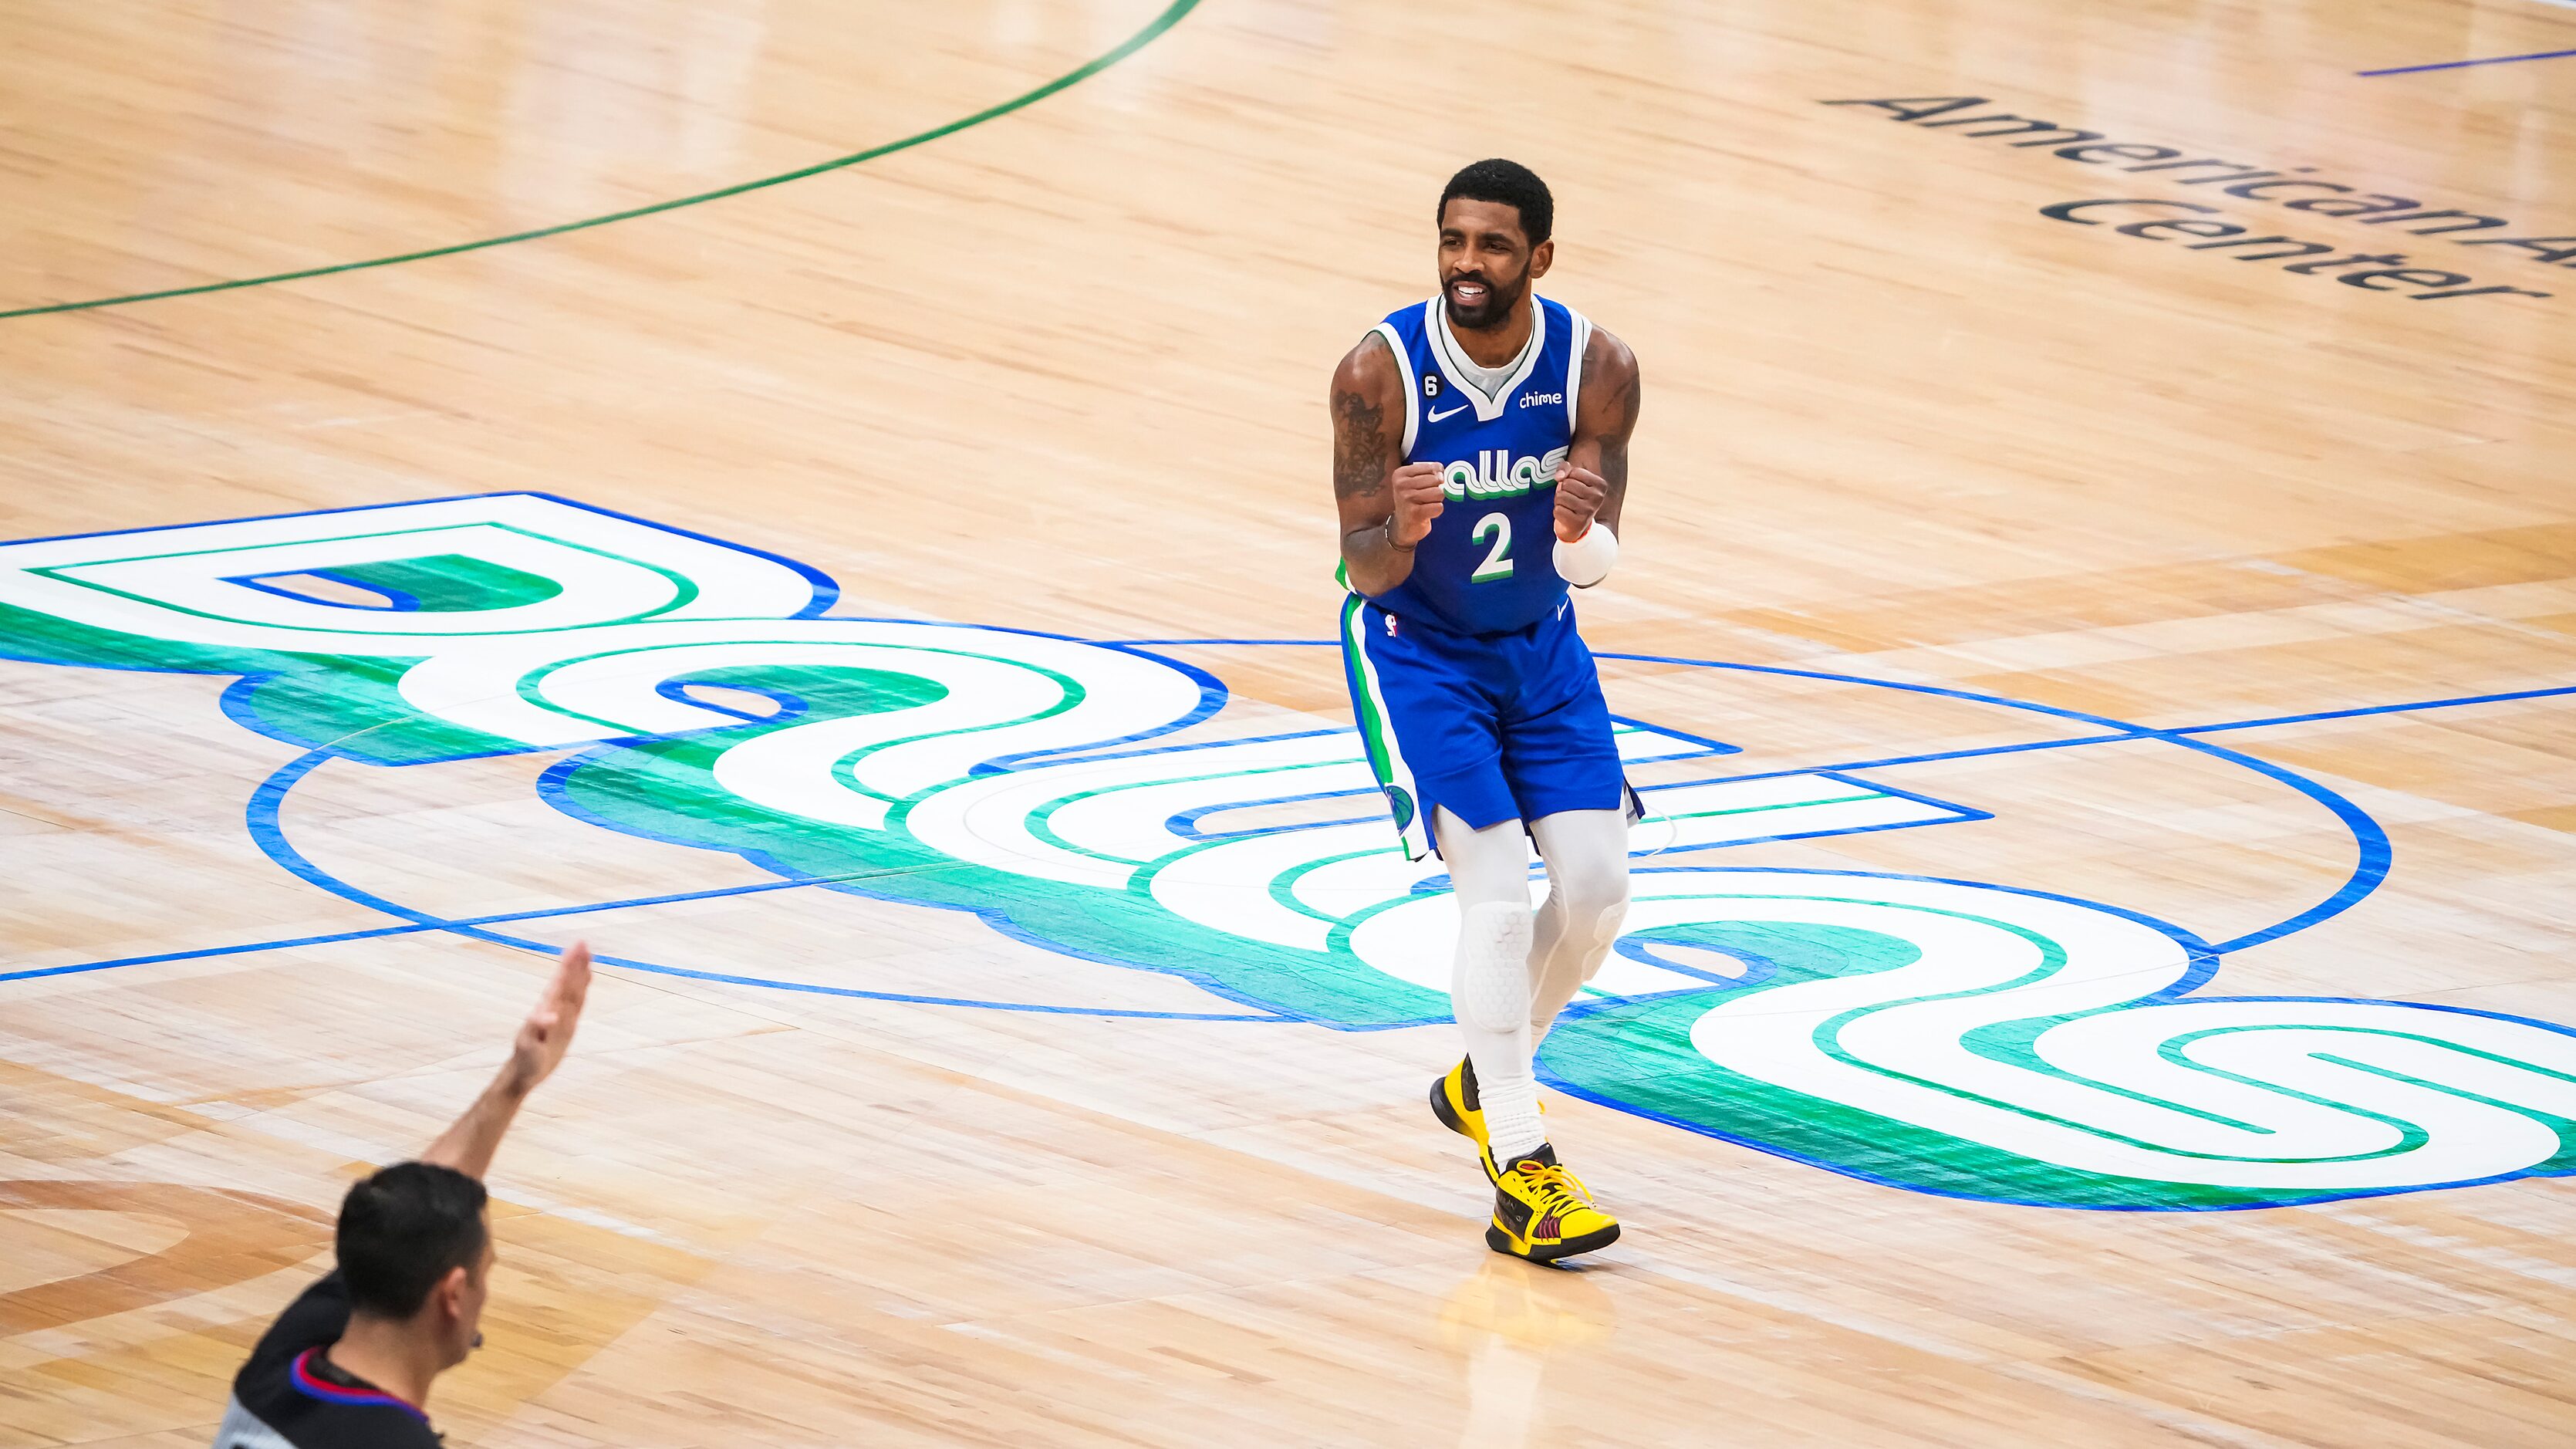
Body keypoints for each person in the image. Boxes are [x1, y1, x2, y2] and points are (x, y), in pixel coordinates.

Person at [1330, 159, 1643, 1263]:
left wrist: (1578, 529)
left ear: (1539, 257)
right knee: (1498, 904)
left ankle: (1481, 1078)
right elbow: (1359, 564)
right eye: (1453, 241)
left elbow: (1596, 560)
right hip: (1419, 656)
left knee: (1599, 892)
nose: (1468, 264)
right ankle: (1522, 1163)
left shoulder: (1596, 366)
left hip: (1542, 651)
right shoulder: (1378, 372)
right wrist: (1397, 535)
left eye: (1493, 246)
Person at [212, 943, 593, 1447]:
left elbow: (410, 1217)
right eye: (485, 1274)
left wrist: (515, 1084)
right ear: (454, 1295)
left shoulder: (279, 1371)